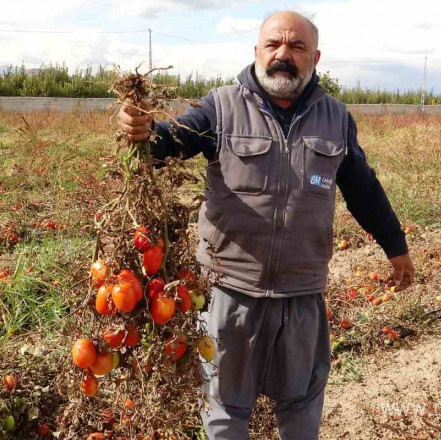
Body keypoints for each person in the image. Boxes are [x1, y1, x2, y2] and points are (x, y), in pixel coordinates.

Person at [117, 10, 415, 440]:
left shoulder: (335, 118)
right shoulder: (219, 107)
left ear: (315, 56)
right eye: (274, 44)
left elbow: (363, 188)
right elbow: (170, 141)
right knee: (224, 410)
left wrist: (395, 244)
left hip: (302, 294)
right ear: (257, 51)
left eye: (296, 47)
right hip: (229, 292)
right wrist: (143, 132)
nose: (283, 55)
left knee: (301, 407)